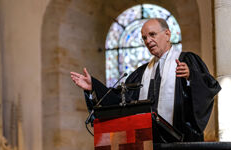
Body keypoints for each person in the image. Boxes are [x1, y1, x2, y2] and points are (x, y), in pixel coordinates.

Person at [70, 18, 221, 142]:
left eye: (152, 34)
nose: (148, 41)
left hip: (181, 142)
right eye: (144, 38)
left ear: (167, 34)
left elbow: (208, 87)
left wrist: (191, 76)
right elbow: (120, 101)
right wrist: (94, 87)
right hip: (148, 143)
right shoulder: (141, 73)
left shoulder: (186, 61)